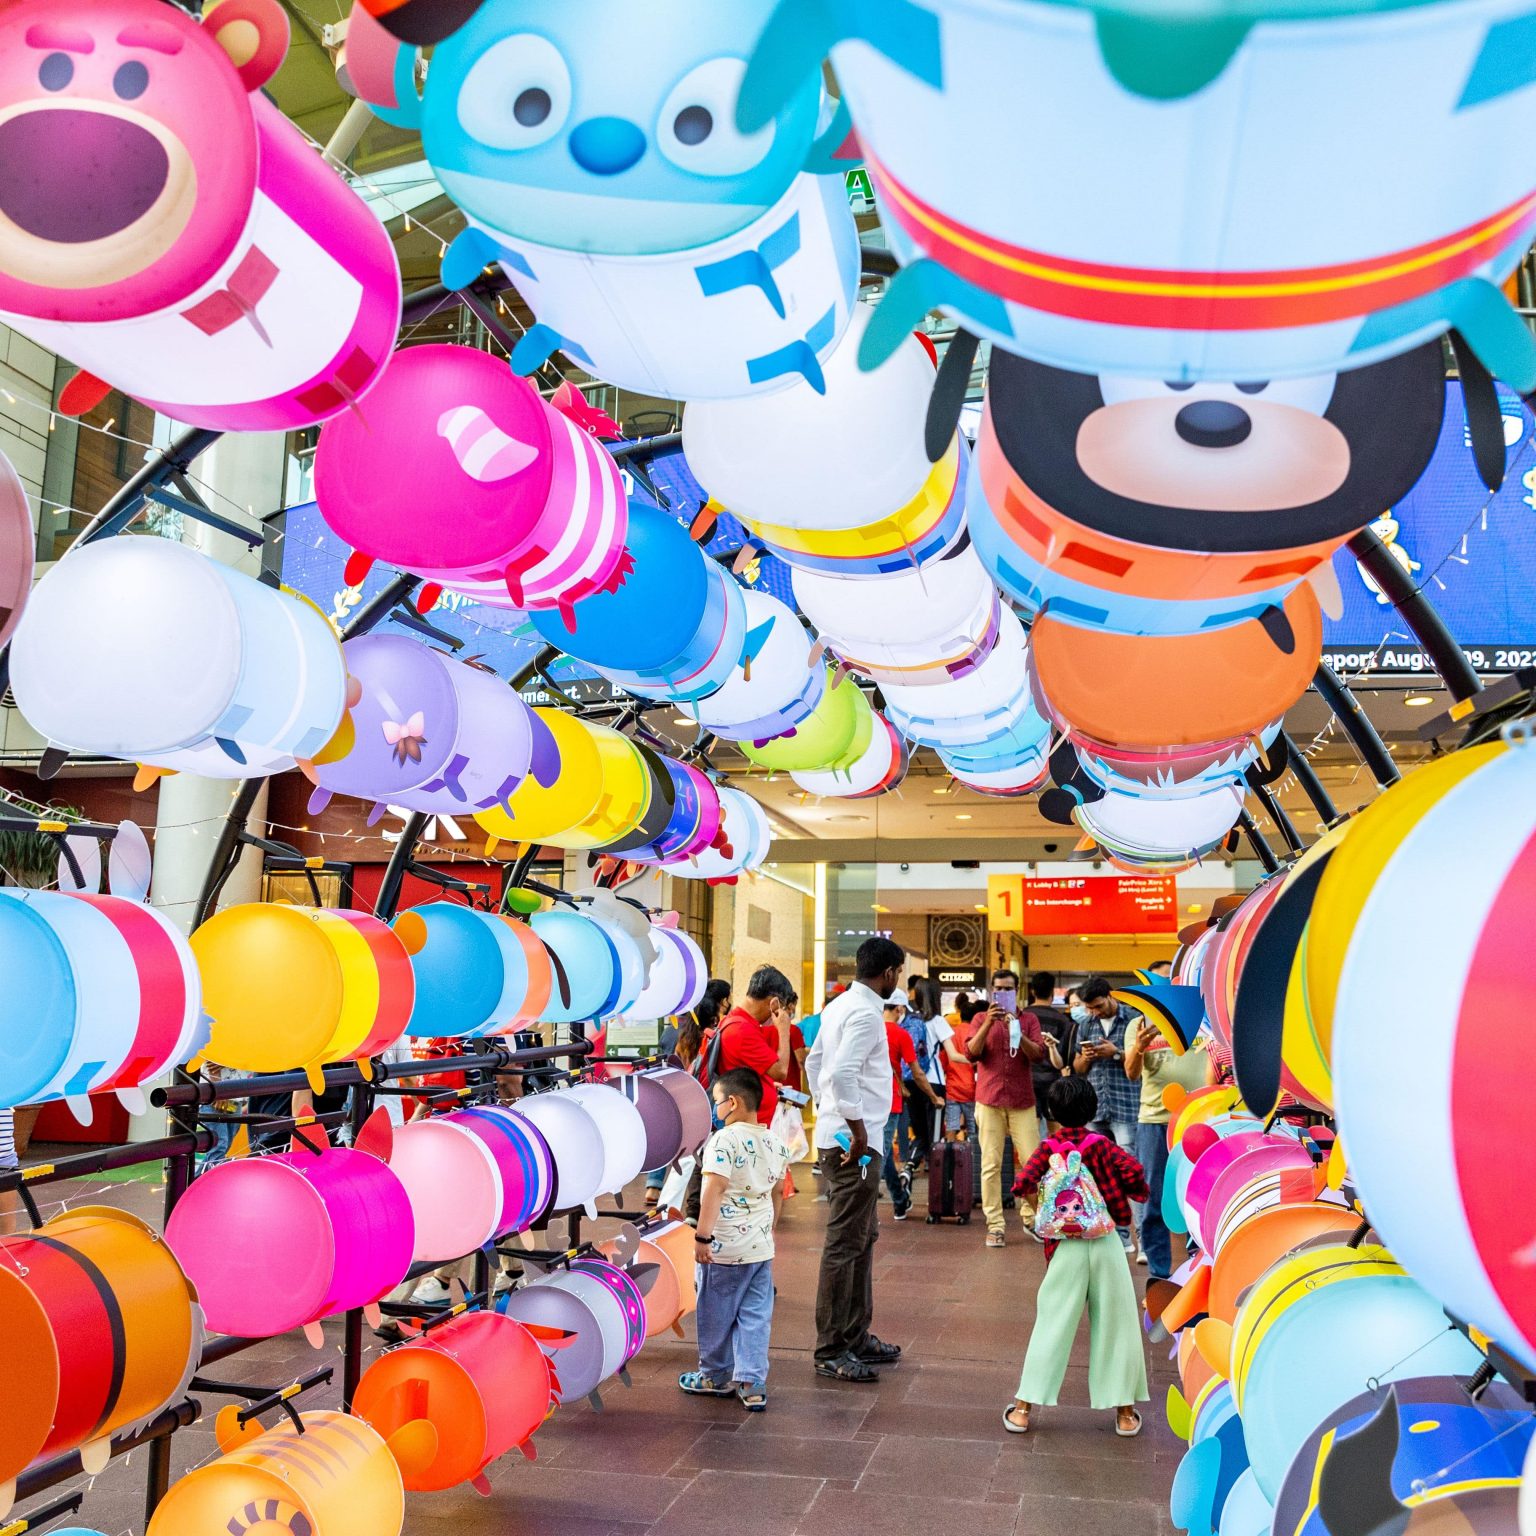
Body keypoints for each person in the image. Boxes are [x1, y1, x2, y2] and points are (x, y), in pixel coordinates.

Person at [1003, 1075, 1150, 1440]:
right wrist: (1117, 1193)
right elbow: (1135, 1173)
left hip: (1065, 1247)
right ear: (1092, 1109)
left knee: (1052, 1322)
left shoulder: (1047, 1147)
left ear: (1052, 1111)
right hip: (1105, 1243)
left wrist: (1047, 1212)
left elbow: (1021, 1184)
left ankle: (1023, 1409)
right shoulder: (1101, 1145)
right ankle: (1126, 1414)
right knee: (1117, 1324)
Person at [805, 935, 906, 1383]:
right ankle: (832, 1348)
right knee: (847, 1243)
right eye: (897, 974)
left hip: (841, 1136)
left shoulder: (838, 1006)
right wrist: (857, 1129)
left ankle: (855, 1333)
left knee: (863, 1236)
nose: (897, 981)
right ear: (887, 973)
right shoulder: (865, 1013)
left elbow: (815, 1064)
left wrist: (825, 1111)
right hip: (856, 1147)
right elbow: (842, 1070)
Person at [679, 1068, 790, 1412]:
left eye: (717, 1103)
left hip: (724, 1250)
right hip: (760, 1250)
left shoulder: (723, 1141)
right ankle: (753, 1383)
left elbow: (715, 1187)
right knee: (755, 1316)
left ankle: (713, 1375)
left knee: (715, 1312)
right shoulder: (775, 1141)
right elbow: (776, 1193)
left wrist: (702, 1236)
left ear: (734, 1102)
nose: (716, 1110)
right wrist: (769, 1230)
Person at [1124, 1020, 1209, 1277]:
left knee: (1197, 1199)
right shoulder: (1137, 1025)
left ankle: (1197, 1275)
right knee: (1154, 1198)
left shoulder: (1200, 1022)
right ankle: (1158, 1276)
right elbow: (1131, 1073)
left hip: (1198, 1118)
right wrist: (1139, 1047)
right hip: (1154, 1122)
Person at [968, 968, 1045, 1248]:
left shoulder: (1029, 1019)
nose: (1004, 993)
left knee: (1032, 1162)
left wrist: (1017, 1031)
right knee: (990, 1164)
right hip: (989, 1100)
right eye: (999, 989)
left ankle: (1031, 1218)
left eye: (1009, 989)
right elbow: (971, 1053)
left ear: (1017, 991)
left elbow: (1038, 1055)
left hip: (1022, 1101)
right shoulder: (979, 1019)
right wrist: (989, 1023)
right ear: (992, 991)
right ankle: (996, 1225)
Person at [1071, 975, 1144, 1254]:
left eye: (1099, 1006)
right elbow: (1077, 1068)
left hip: (1127, 1105)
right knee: (1100, 1174)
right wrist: (1086, 1058)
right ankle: (1117, 1237)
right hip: (1096, 1107)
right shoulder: (1085, 1024)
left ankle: (1142, 1239)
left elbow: (1141, 1058)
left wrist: (1116, 1053)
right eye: (1090, 1008)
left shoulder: (1134, 1019)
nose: (1094, 1012)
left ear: (1111, 996)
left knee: (1131, 1172)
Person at [711, 966, 795, 1125]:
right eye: (782, 1007)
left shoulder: (738, 1022)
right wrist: (784, 1030)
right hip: (748, 1129)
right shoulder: (742, 1030)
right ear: (774, 1003)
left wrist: (767, 1084)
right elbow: (781, 1071)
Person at [942, 996, 983, 1205]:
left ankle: (948, 1163)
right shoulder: (976, 1033)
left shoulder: (951, 1033)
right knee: (974, 1132)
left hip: (952, 1088)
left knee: (950, 1128)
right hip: (972, 1090)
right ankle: (973, 1166)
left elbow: (944, 1060)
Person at [1027, 971, 1075, 1136]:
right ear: (1052, 992)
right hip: (1053, 1082)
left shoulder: (1022, 1017)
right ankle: (1054, 1161)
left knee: (1030, 1132)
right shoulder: (1062, 1020)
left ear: (1033, 991)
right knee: (1055, 1131)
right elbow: (1064, 1058)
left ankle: (1034, 1161)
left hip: (1027, 1081)